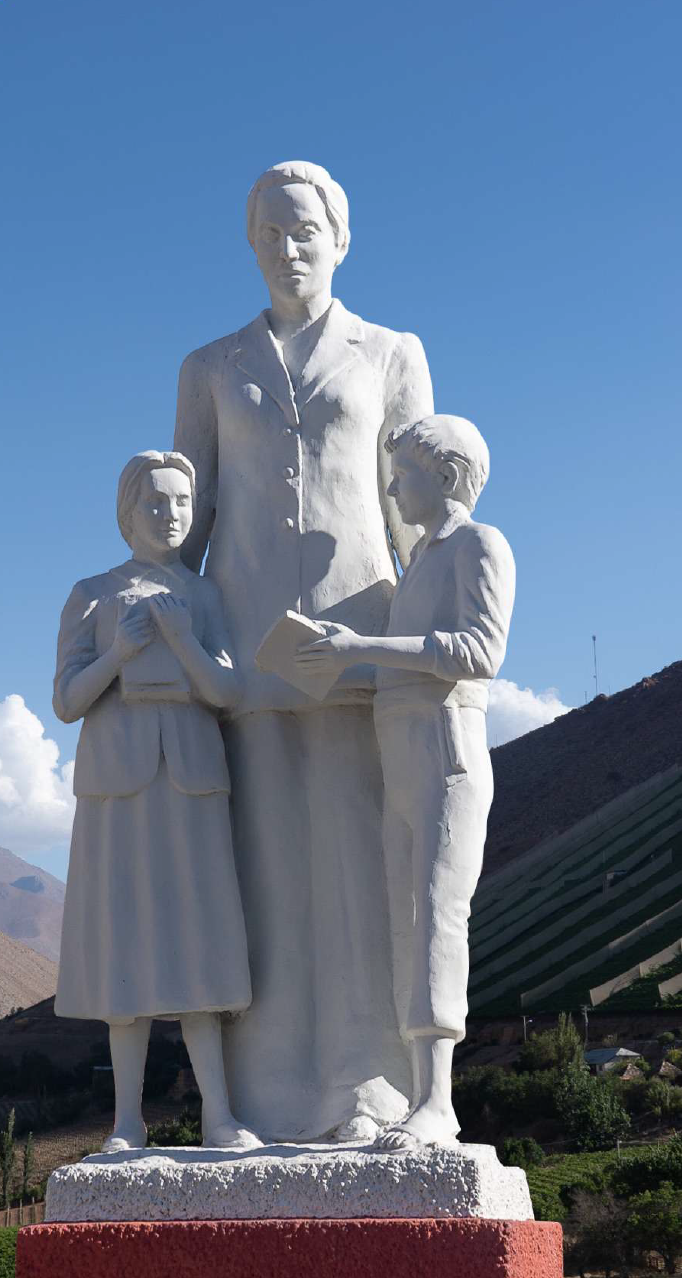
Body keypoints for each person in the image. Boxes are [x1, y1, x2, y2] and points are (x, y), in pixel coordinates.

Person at [175, 160, 434, 1141]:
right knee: (263, 869)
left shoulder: (391, 352)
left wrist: (439, 629)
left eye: (305, 231)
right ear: (251, 245)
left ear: (341, 239)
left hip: (360, 635)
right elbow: (186, 517)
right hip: (242, 645)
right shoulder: (209, 366)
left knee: (361, 865)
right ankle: (265, 1090)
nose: (289, 249)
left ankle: (368, 1086)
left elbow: (418, 508)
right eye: (271, 233)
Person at [298, 415, 515, 1146]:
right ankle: (422, 1092)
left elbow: (478, 651)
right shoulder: (420, 558)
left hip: (445, 748)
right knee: (405, 919)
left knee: (436, 916)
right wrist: (338, 662)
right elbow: (407, 658)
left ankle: (438, 1102)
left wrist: (362, 645)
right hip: (402, 751)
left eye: (405, 476)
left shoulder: (479, 545)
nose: (393, 490)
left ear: (447, 476)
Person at [52, 450, 261, 1153]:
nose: (170, 515)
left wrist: (182, 640)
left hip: (192, 778)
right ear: (128, 511)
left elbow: (227, 690)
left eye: (180, 502)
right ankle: (126, 1122)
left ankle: (218, 1114)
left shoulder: (204, 596)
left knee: (200, 939)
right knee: (127, 943)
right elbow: (66, 700)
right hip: (118, 783)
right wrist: (119, 652)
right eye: (155, 502)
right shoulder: (92, 593)